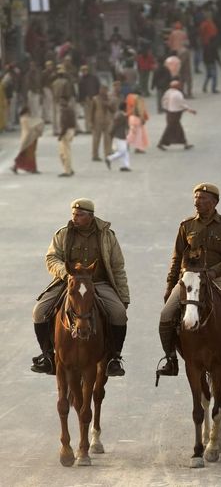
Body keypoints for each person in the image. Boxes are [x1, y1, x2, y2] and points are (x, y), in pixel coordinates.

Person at [157, 184, 221, 380]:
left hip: (217, 280)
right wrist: (170, 285)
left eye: (202, 198)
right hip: (189, 279)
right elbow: (176, 258)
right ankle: (171, 359)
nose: (197, 202)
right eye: (196, 198)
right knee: (166, 315)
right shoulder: (186, 225)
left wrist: (214, 272)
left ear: (214, 202)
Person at [31, 198, 129, 376]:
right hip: (68, 282)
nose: (75, 218)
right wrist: (67, 273)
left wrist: (124, 297)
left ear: (90, 216)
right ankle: (47, 356)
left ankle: (114, 358)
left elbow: (117, 267)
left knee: (119, 314)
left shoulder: (107, 235)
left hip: (97, 283)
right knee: (39, 311)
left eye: (80, 215)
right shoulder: (63, 233)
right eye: (73, 214)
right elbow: (51, 258)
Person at [158, 80, 196, 151]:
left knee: (177, 129)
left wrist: (166, 108)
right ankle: (161, 143)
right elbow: (182, 104)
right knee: (170, 129)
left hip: (170, 113)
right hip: (175, 114)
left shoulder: (168, 92)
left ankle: (185, 143)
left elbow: (164, 101)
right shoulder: (178, 94)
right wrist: (190, 109)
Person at [12, 107, 44, 174]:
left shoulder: (23, 118)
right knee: (30, 154)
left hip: (26, 137)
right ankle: (32, 168)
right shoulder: (26, 119)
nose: (30, 112)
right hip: (29, 138)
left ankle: (16, 166)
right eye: (29, 111)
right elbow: (32, 126)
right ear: (26, 111)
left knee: (24, 153)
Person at [90, 86, 115, 161]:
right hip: (97, 121)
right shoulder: (95, 99)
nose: (103, 91)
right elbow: (92, 111)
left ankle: (107, 153)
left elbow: (113, 110)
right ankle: (95, 155)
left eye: (105, 90)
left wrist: (108, 104)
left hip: (107, 121)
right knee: (96, 139)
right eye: (102, 89)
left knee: (107, 138)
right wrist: (91, 122)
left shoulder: (110, 99)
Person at [105, 102, 130, 172]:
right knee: (123, 151)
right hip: (119, 135)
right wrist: (111, 133)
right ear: (124, 108)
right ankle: (109, 158)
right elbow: (114, 125)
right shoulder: (119, 116)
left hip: (121, 135)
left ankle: (125, 166)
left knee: (125, 151)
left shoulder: (121, 115)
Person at [78, 65, 100, 134]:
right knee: (87, 114)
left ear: (88, 70)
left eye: (85, 70)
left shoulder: (93, 78)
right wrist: (81, 100)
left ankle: (95, 128)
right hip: (86, 99)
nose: (84, 72)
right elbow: (80, 91)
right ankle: (88, 129)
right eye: (83, 70)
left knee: (94, 114)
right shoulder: (81, 80)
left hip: (94, 98)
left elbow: (98, 86)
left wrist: (98, 96)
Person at [57, 98, 76, 177]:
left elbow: (65, 124)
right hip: (71, 130)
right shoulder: (70, 109)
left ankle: (67, 171)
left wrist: (61, 135)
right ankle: (69, 169)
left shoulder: (64, 111)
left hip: (66, 131)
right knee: (65, 151)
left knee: (64, 152)